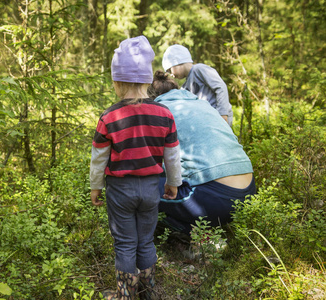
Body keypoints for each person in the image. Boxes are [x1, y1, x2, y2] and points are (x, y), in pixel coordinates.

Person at [90, 36, 182, 300]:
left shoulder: (109, 116)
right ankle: (149, 292)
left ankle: (125, 295)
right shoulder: (164, 114)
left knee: (125, 243)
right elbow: (172, 155)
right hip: (152, 188)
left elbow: (99, 158)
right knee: (145, 240)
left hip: (120, 190)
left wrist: (96, 186)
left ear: (117, 82)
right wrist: (173, 183)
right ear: (146, 81)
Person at [148, 70, 256, 236]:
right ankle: (215, 229)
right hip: (249, 193)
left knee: (139, 189)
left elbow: (150, 160)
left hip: (216, 199)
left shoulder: (158, 111)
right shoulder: (203, 104)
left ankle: (196, 234)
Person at [162, 44, 234, 126]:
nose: (171, 75)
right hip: (209, 120)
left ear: (177, 62)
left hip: (219, 116)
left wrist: (223, 114)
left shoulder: (199, 69)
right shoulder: (184, 87)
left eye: (169, 70)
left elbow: (221, 87)